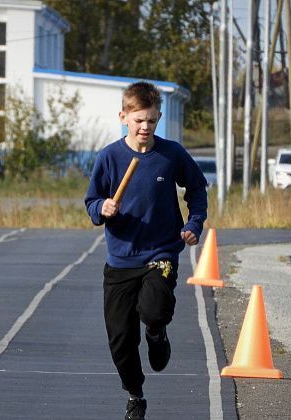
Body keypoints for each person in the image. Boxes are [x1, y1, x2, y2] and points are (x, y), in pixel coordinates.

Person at [84, 81, 208, 420]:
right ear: (124, 116)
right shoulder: (109, 157)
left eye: (152, 120)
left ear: (158, 119)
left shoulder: (171, 154)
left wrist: (194, 223)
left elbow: (197, 188)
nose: (145, 127)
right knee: (121, 341)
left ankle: (157, 333)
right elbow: (91, 201)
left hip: (161, 253)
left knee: (153, 309)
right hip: (121, 259)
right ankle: (136, 396)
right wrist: (101, 210)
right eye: (139, 120)